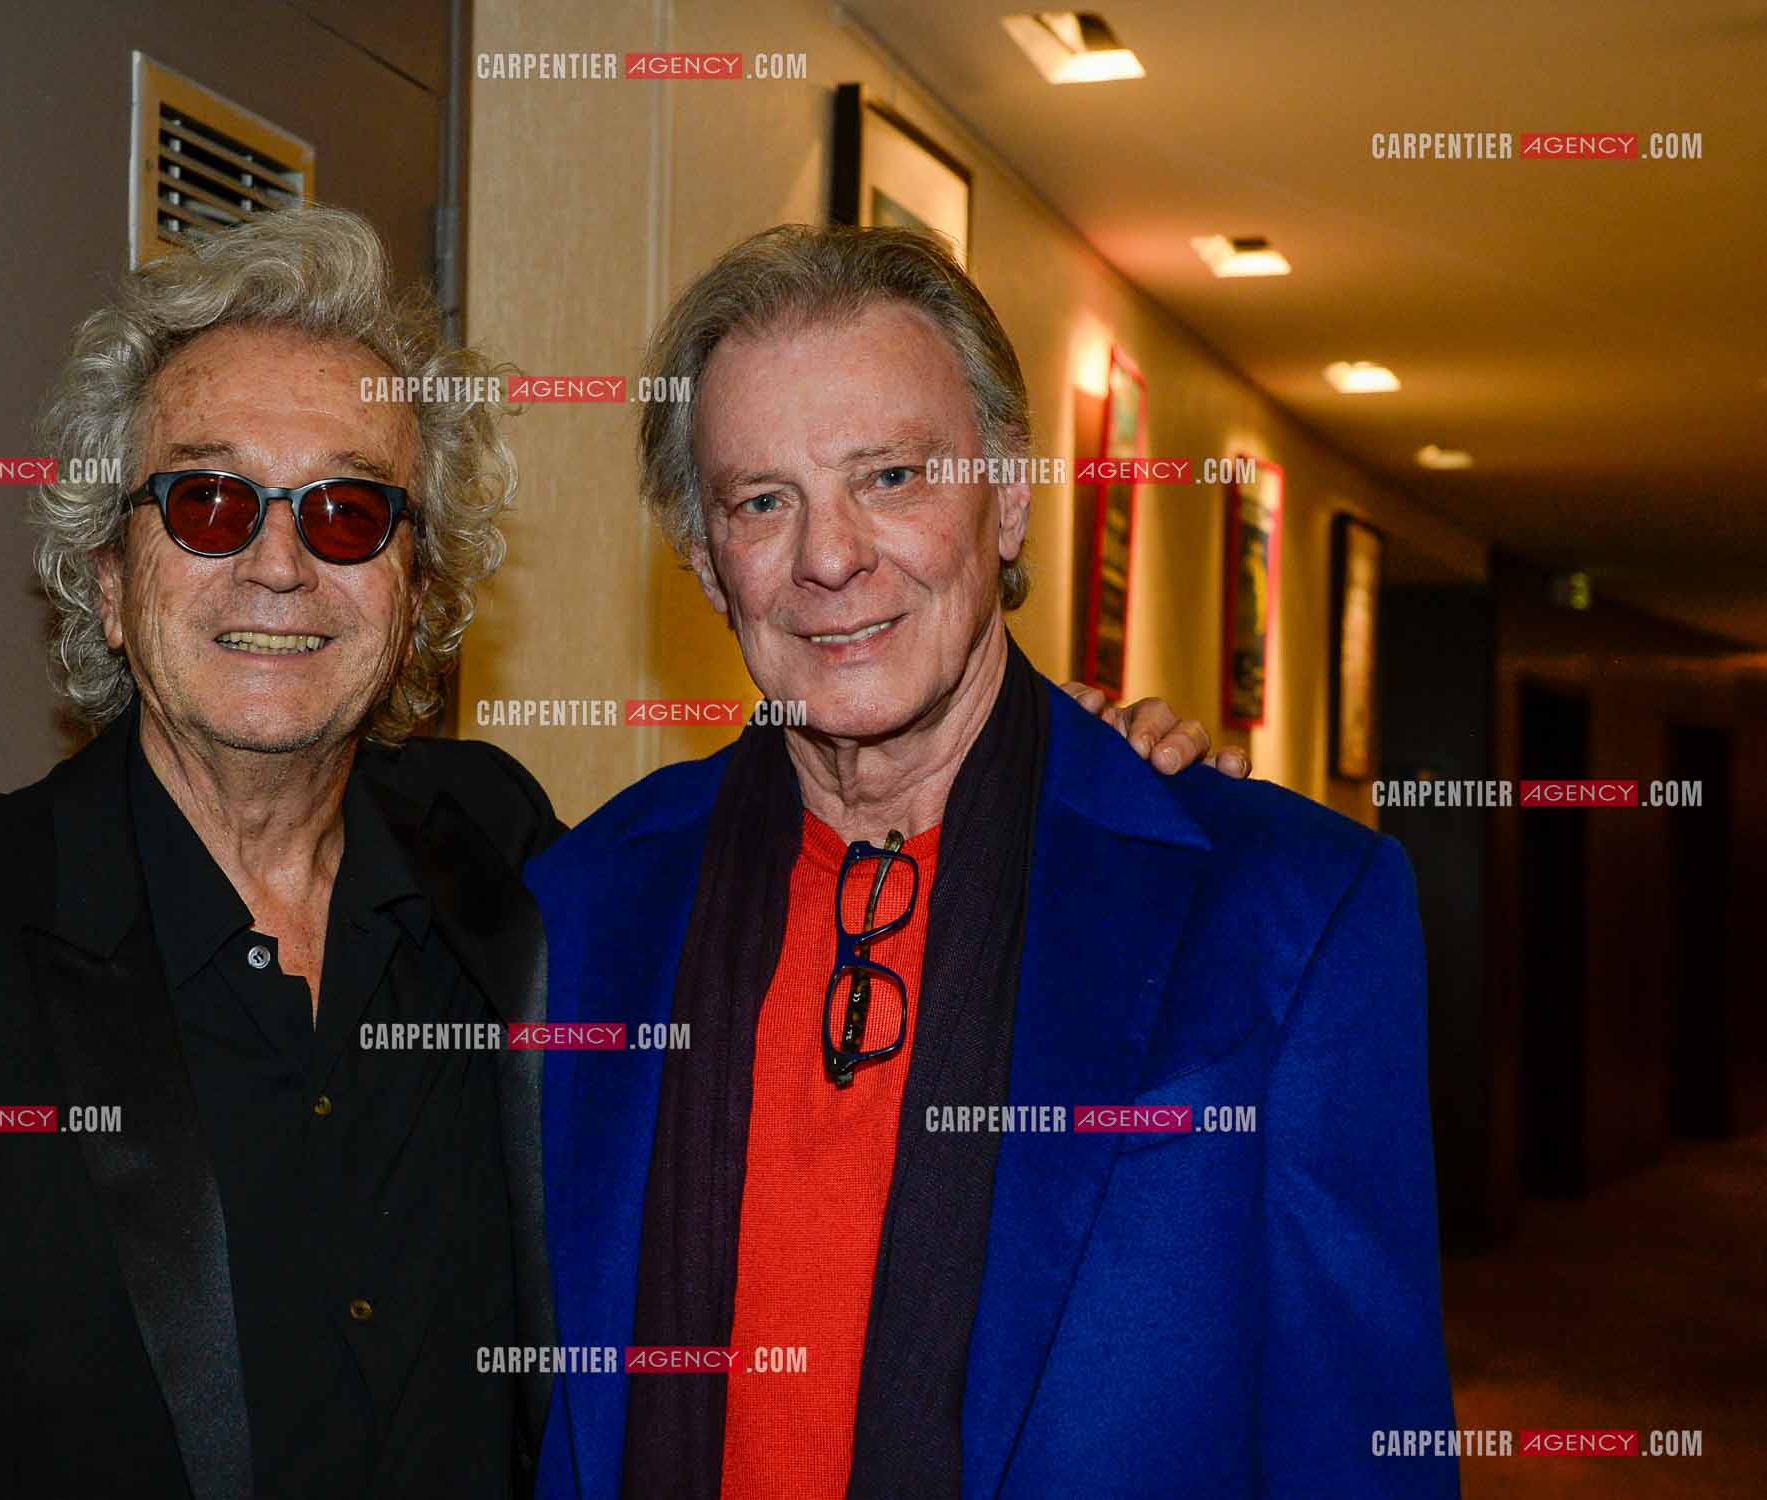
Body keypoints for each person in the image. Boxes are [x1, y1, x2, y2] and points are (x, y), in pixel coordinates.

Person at [0, 205, 1236, 1499]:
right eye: (210, 502)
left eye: (353, 516)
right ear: (106, 576)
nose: (280, 563)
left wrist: (1082, 775)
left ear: (419, 597)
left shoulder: (512, 873)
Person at [526, 223, 1458, 1499]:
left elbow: (1360, 1447)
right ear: (704, 562)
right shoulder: (584, 906)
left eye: (893, 475)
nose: (830, 555)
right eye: (761, 501)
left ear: (1007, 497)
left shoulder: (1285, 911)